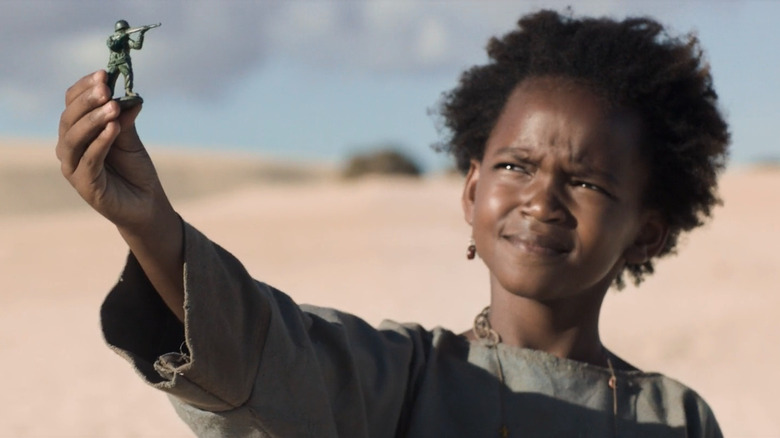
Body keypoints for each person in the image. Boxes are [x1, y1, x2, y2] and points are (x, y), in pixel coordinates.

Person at [56, 10, 729, 437]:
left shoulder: (676, 419)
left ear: (646, 231)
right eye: (516, 166)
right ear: (471, 191)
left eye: (585, 181)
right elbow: (261, 350)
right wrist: (150, 226)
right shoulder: (400, 376)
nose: (541, 199)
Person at [106, 20, 146, 98]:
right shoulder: (111, 39)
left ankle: (128, 91)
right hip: (113, 62)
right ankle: (108, 95)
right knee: (110, 79)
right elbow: (113, 46)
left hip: (124, 61)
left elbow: (137, 46)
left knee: (128, 75)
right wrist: (122, 37)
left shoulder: (127, 40)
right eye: (124, 30)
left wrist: (141, 33)